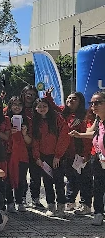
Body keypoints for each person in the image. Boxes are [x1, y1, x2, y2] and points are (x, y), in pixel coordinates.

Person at [69, 89, 105, 226]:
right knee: (98, 186)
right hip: (97, 158)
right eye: (92, 103)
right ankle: (98, 213)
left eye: (98, 102)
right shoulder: (98, 120)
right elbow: (93, 134)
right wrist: (79, 135)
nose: (94, 106)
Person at [31, 97, 70, 216]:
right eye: (39, 106)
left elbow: (64, 137)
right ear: (35, 108)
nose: (42, 109)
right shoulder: (35, 122)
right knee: (47, 182)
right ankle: (51, 206)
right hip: (43, 157)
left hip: (57, 156)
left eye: (44, 106)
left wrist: (58, 156)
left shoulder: (57, 118)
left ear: (49, 107)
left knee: (59, 182)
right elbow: (35, 141)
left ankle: (61, 207)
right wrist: (37, 157)